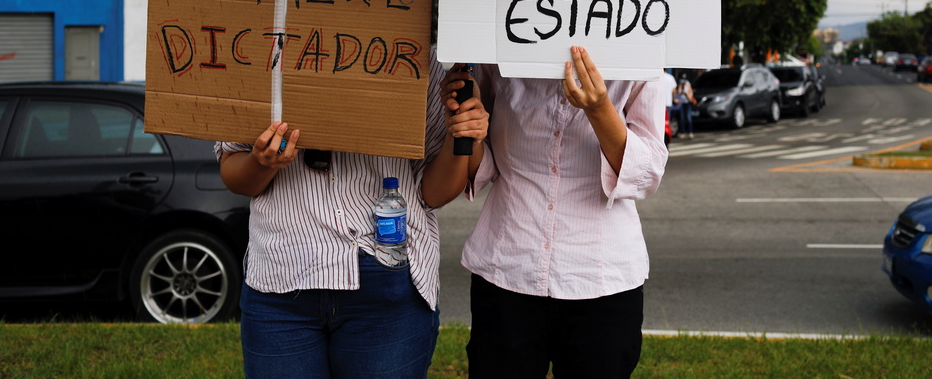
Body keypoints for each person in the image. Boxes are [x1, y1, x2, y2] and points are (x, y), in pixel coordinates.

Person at [216, 60, 487, 379]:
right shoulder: (260, 54)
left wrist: (460, 135)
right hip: (281, 276)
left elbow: (433, 194)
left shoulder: (411, 55)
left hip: (386, 275)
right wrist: (261, 163)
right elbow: (233, 172)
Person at [432, 46, 668, 379]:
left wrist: (600, 109)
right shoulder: (495, 51)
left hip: (602, 278)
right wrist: (468, 127)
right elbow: (482, 165)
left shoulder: (641, 51)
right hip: (508, 269)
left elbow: (646, 173)